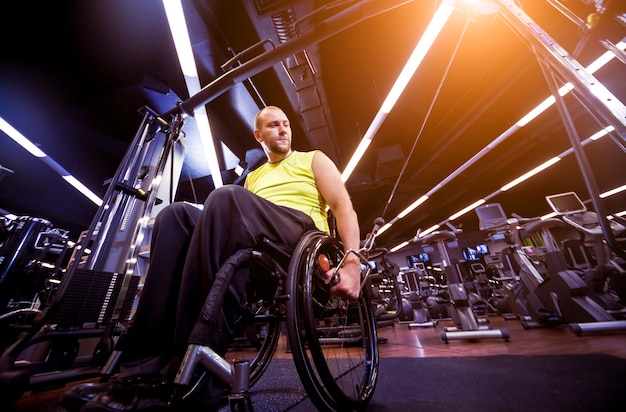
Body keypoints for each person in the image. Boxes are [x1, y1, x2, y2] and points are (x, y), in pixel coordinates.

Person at [61, 105, 361, 412]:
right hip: (260, 244)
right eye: (273, 125)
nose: (283, 129)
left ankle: (187, 372)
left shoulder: (312, 159)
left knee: (225, 197)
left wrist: (353, 263)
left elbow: (343, 208)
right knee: (174, 215)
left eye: (285, 124)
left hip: (299, 239)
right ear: (258, 135)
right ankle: (140, 370)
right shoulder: (254, 177)